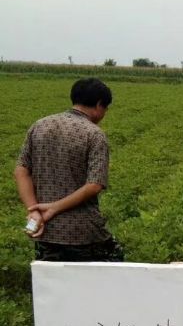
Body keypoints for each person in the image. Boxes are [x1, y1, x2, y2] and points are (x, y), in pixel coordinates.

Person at [14, 78, 124, 262]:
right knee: (111, 267)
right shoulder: (94, 134)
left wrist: (34, 211)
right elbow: (94, 185)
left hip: (46, 229)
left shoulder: (39, 125)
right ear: (99, 104)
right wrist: (54, 208)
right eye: (106, 108)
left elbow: (21, 171)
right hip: (83, 231)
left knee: (52, 276)